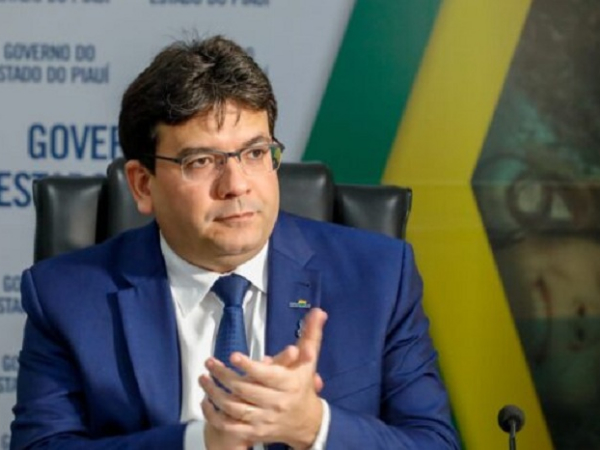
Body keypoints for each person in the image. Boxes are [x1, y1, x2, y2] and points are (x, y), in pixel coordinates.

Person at [10, 35, 458, 449]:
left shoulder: (378, 278)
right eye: (202, 161)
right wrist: (200, 442)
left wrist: (315, 427)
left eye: (255, 153)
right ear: (143, 185)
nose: (237, 184)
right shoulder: (66, 297)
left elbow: (434, 443)